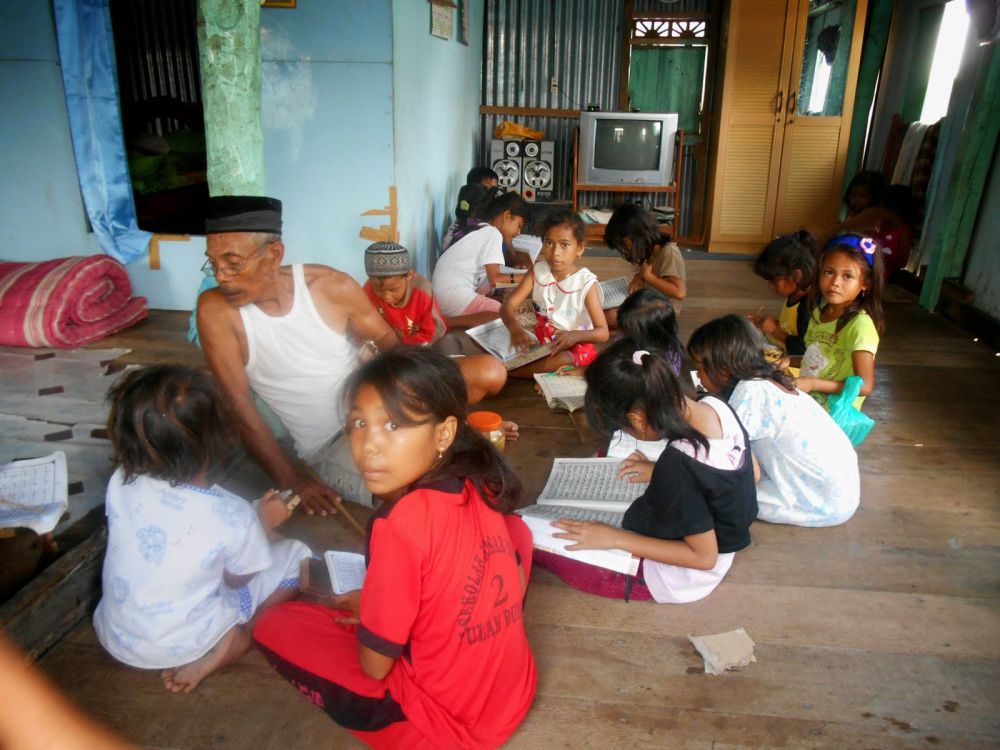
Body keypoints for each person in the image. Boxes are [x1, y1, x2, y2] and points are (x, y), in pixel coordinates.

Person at [253, 347, 537, 749]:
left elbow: (374, 666)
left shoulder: (398, 525)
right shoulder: (480, 478)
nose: (367, 445)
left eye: (394, 426)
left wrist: (374, 611)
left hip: (447, 725)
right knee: (517, 533)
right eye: (358, 423)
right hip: (512, 690)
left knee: (274, 626)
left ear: (443, 433)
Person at [92, 365, 311, 694]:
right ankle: (240, 637)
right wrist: (261, 524)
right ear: (220, 439)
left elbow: (180, 527)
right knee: (296, 557)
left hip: (120, 636)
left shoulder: (122, 481)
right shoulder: (233, 516)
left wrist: (252, 522)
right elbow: (236, 578)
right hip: (188, 639)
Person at [196, 196, 399, 516]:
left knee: (460, 449)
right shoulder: (217, 311)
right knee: (407, 490)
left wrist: (409, 399)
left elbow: (388, 340)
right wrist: (291, 478)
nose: (221, 276)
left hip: (382, 414)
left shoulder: (330, 285)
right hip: (332, 444)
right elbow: (239, 405)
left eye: (233, 263)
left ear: (274, 254)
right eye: (214, 263)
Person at [536, 337, 758, 603]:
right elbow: (749, 473)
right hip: (723, 550)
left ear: (637, 420)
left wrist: (614, 538)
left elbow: (703, 557)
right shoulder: (716, 405)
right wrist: (658, 471)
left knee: (540, 543)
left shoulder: (678, 468)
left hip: (676, 577)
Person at [689, 315, 860, 527]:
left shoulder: (749, 394)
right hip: (841, 490)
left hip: (820, 502)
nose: (698, 375)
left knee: (707, 487)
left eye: (700, 367)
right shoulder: (766, 381)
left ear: (723, 370)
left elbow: (742, 470)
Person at [362, 241, 519, 441]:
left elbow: (430, 335)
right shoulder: (364, 293)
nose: (386, 296)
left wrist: (412, 363)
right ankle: (460, 427)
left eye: (394, 289)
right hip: (390, 371)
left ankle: (449, 421)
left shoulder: (422, 290)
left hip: (423, 360)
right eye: (378, 289)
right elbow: (365, 341)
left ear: (409, 276)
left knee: (492, 372)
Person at [500, 210, 609, 377]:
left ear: (580, 248)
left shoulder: (586, 283)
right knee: (509, 341)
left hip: (574, 342)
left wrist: (575, 336)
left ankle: (508, 372)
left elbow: (603, 332)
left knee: (564, 359)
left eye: (564, 245)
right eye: (549, 243)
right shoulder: (537, 271)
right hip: (542, 338)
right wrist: (515, 329)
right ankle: (515, 368)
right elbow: (508, 306)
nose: (556, 252)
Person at [797, 233, 885, 412]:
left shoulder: (860, 326)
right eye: (829, 272)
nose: (835, 283)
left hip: (836, 416)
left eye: (847, 276)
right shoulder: (818, 313)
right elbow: (818, 358)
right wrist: (788, 361)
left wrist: (814, 384)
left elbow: (865, 386)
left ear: (865, 284)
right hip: (812, 407)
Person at [603, 288, 683, 460]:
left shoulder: (668, 358)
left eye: (627, 331)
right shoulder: (625, 339)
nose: (621, 333)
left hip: (648, 411)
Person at [432, 191, 531, 328]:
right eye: (519, 225)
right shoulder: (492, 234)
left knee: (497, 307)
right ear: (507, 216)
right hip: (451, 295)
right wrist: (529, 278)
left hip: (441, 294)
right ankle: (444, 323)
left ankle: (449, 322)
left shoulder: (480, 228)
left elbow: (486, 282)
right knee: (506, 317)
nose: (518, 232)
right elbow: (496, 280)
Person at [603, 202, 687, 324]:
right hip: (648, 303)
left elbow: (679, 292)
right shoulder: (650, 251)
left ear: (638, 235)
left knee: (610, 316)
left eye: (625, 245)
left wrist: (648, 277)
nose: (625, 250)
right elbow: (649, 271)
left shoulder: (669, 252)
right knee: (602, 311)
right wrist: (640, 277)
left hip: (662, 314)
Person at [748, 230, 819, 356]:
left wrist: (775, 331)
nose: (770, 286)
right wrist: (766, 324)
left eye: (774, 281)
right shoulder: (793, 296)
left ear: (797, 276)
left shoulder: (808, 307)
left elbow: (804, 349)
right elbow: (791, 328)